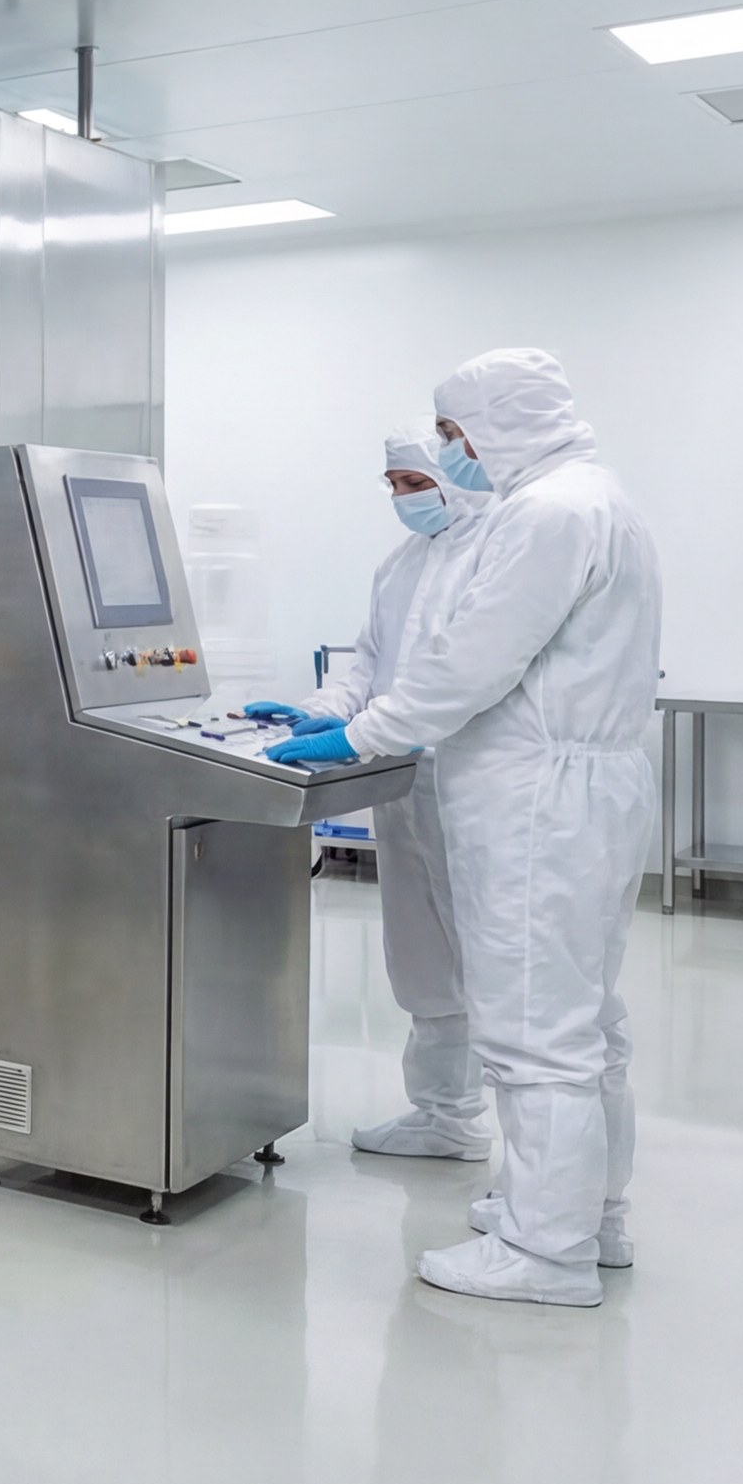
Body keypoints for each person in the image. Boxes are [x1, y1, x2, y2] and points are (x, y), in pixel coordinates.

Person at [267, 351, 661, 1306]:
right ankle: (585, 1217)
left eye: (452, 433)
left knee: (538, 1033)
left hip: (538, 797)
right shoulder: (591, 499)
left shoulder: (547, 514)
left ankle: (544, 1250)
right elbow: (412, 656)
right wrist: (351, 715)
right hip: (572, 788)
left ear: (500, 420)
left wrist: (360, 735)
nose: (449, 451)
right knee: (580, 1022)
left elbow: (466, 664)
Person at [241, 431, 492, 1160]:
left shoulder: (497, 559)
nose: (401, 499)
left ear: (452, 477)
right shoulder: (401, 565)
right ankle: (444, 1112)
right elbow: (370, 665)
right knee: (421, 948)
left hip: (473, 780)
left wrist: (363, 732)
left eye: (413, 481)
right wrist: (325, 710)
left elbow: (455, 684)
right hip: (401, 776)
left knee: (488, 955)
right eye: (391, 484)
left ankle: (520, 1145)